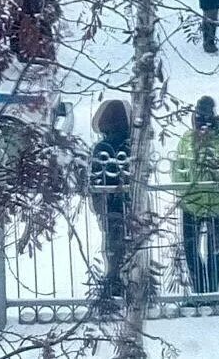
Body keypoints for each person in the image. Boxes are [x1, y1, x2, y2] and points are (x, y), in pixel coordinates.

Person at [172, 96, 219, 296]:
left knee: (214, 249)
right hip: (192, 204)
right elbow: (179, 169)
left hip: (216, 204)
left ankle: (212, 293)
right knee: (191, 250)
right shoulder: (187, 139)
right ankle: (200, 291)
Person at [89, 99, 132, 297]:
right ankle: (127, 280)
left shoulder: (102, 147)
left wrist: (97, 203)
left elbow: (95, 178)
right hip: (128, 202)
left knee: (111, 243)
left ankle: (113, 281)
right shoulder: (130, 144)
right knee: (129, 242)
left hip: (108, 203)